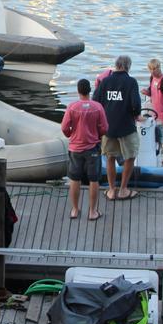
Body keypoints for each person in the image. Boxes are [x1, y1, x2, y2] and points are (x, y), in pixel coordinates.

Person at [93, 55, 142, 201]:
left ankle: (111, 190)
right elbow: (136, 105)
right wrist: (135, 114)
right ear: (128, 66)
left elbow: (96, 102)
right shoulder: (131, 82)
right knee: (131, 156)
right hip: (126, 126)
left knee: (110, 157)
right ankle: (123, 189)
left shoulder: (105, 81)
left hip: (108, 128)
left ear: (116, 65)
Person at [61, 78, 109, 220]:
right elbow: (105, 128)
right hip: (92, 148)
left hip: (75, 148)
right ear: (90, 90)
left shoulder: (72, 107)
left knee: (74, 179)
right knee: (94, 179)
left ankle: (75, 210)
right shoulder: (98, 107)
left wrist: (71, 135)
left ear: (78, 91)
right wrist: (98, 135)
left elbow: (64, 127)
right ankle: (92, 211)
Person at [142, 58, 163, 166]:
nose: (153, 71)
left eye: (155, 69)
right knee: (160, 138)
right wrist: (147, 93)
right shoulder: (152, 78)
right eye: (151, 69)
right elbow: (154, 94)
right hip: (155, 114)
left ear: (159, 67)